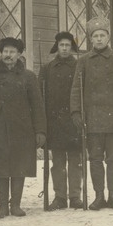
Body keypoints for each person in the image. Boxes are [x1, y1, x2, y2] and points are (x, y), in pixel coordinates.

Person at [0, 37, 45, 218]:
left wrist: (40, 131)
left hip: (22, 130)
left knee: (18, 166)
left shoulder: (29, 76)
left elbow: (37, 105)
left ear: (19, 54)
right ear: (1, 53)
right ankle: (2, 207)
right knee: (0, 167)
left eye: (12, 52)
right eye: (5, 52)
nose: (8, 55)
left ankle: (15, 205)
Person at [70, 17, 113, 211]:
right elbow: (76, 89)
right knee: (95, 158)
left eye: (102, 35)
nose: (99, 39)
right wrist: (76, 112)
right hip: (93, 119)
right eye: (95, 36)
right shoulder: (83, 61)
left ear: (108, 37)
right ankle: (99, 196)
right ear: (91, 39)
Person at [39, 32, 83, 210]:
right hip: (54, 121)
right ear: (57, 47)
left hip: (74, 120)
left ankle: (75, 196)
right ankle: (60, 196)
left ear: (72, 48)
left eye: (67, 45)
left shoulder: (79, 66)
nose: (64, 48)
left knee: (75, 160)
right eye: (61, 45)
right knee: (57, 162)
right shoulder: (47, 68)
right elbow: (41, 96)